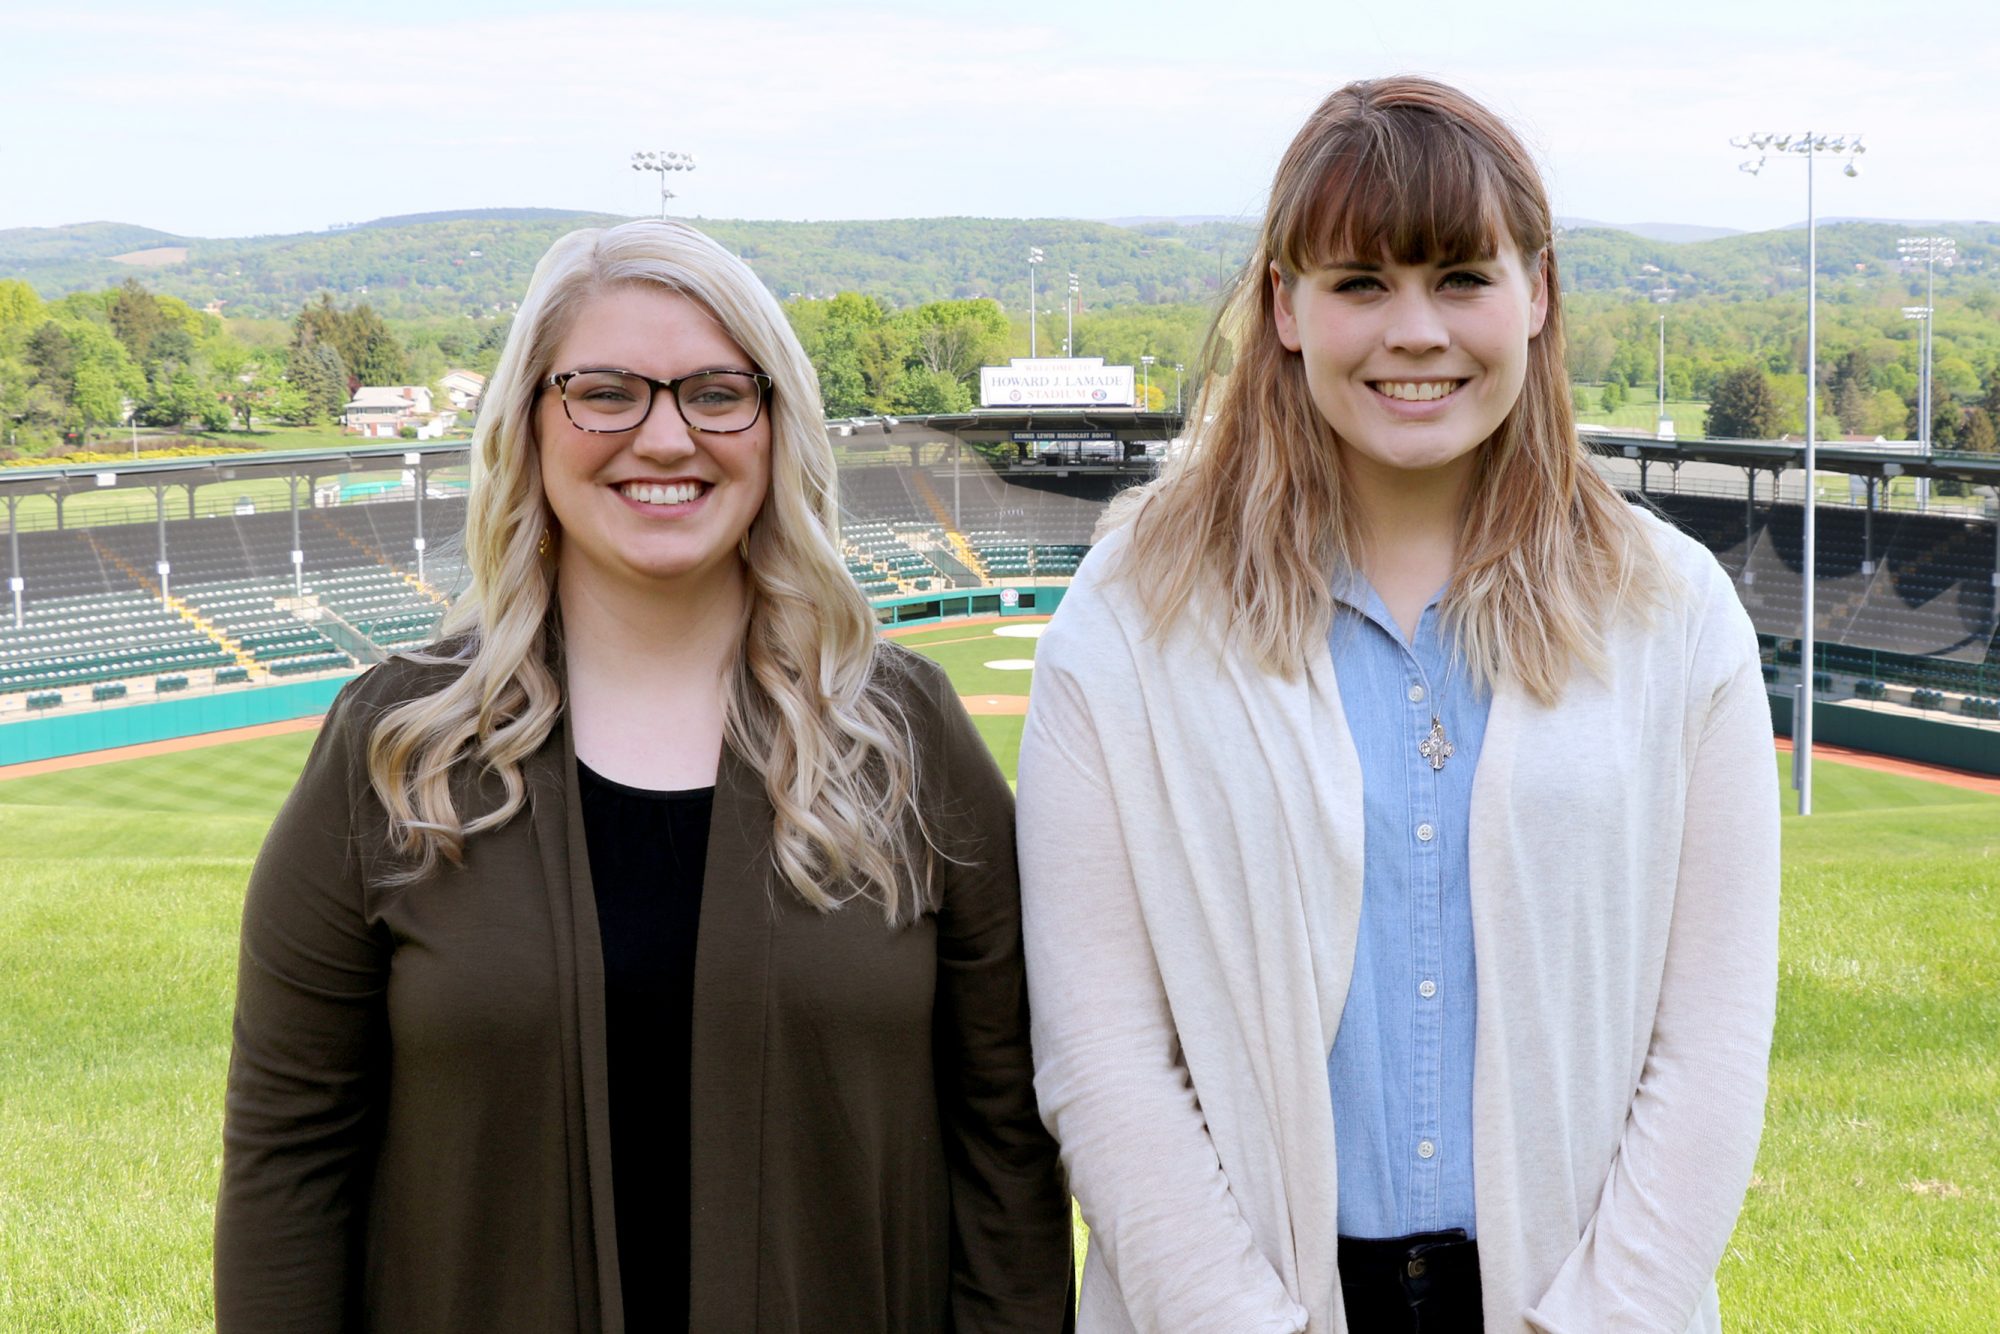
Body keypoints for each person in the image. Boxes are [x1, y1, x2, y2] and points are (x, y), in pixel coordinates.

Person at [1017, 77, 1779, 1334]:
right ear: (1283, 307)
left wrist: (1597, 1318)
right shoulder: (1131, 612)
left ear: (1536, 292)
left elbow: (1707, 1049)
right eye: (1359, 282)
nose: (1413, 330)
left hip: (1567, 1302)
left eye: (1461, 278)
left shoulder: (1671, 610)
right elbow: (1101, 1058)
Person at [216, 219, 1073, 1332]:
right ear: (529, 422)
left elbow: (1006, 1142)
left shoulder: (903, 736)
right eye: (605, 391)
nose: (665, 436)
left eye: (718, 391)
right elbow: (289, 1159)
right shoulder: (394, 745)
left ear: (774, 426)